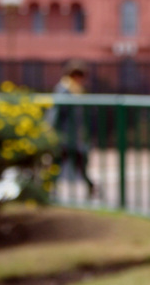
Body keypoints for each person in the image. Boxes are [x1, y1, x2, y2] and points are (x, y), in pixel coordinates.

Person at [47, 60, 96, 197]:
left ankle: (90, 186)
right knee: (60, 162)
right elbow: (56, 113)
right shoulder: (64, 89)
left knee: (78, 162)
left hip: (74, 136)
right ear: (75, 76)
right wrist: (53, 132)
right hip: (64, 135)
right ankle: (50, 189)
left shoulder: (76, 90)